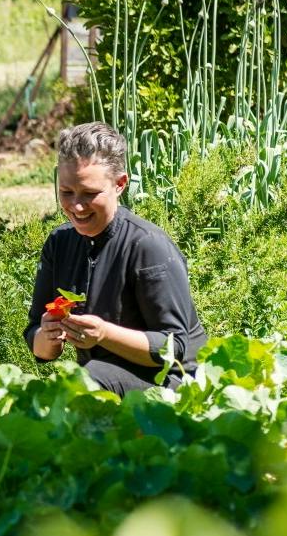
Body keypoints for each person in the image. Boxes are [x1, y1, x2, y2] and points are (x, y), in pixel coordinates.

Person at [25, 122, 206, 395]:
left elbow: (174, 347)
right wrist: (49, 337)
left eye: (89, 193)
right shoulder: (59, 243)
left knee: (89, 379)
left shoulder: (147, 245)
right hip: (101, 378)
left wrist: (104, 334)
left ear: (120, 184)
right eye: (66, 192)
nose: (76, 206)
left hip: (176, 381)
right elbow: (37, 341)